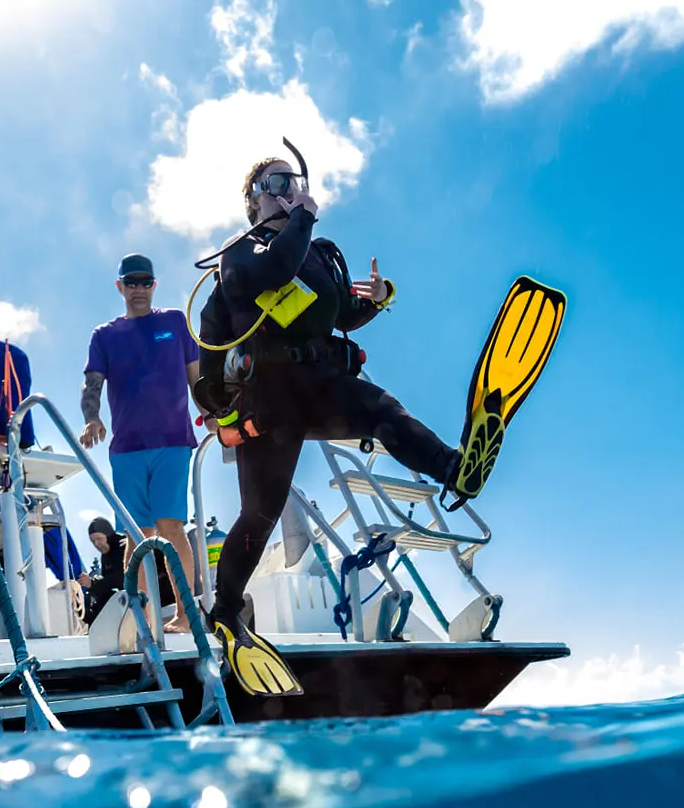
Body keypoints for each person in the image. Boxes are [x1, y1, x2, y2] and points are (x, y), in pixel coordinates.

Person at [189, 153, 455, 694]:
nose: (290, 191)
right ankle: (225, 611)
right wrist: (220, 410)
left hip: (323, 384)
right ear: (255, 199)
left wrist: (378, 301)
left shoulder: (321, 253)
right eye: (278, 183)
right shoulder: (241, 256)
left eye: (297, 182)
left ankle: (456, 468)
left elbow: (336, 314)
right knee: (258, 516)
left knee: (383, 411)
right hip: (272, 402)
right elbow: (269, 277)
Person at [80, 254, 201, 633]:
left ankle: (185, 615)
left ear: (154, 285)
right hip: (128, 448)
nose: (138, 288)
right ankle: (143, 621)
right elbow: (92, 382)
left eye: (145, 281)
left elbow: (195, 377)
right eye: (130, 282)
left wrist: (211, 415)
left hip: (173, 441)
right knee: (137, 536)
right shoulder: (104, 335)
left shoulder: (174, 322)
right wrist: (91, 417)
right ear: (120, 287)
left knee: (171, 528)